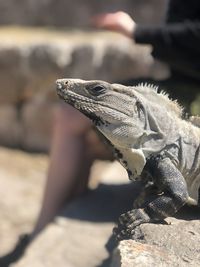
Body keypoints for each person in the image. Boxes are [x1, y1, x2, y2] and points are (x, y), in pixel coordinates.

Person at [1, 0, 200, 265]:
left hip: (193, 87)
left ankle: (43, 226)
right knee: (84, 125)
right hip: (179, 80)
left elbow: (176, 193)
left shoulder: (165, 154)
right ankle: (52, 220)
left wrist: (144, 214)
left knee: (77, 124)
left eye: (97, 92)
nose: (68, 85)